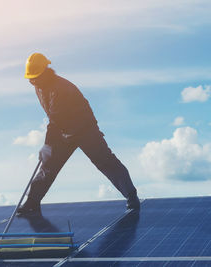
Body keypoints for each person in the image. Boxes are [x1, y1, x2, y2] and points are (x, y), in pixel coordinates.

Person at [17, 52, 140, 215]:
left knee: (105, 161)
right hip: (63, 131)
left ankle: (131, 196)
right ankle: (32, 202)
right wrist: (49, 147)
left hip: (84, 130)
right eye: (30, 79)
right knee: (49, 166)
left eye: (35, 77)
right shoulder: (40, 86)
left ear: (45, 72)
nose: (32, 81)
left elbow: (55, 119)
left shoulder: (61, 88)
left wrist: (47, 145)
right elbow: (56, 121)